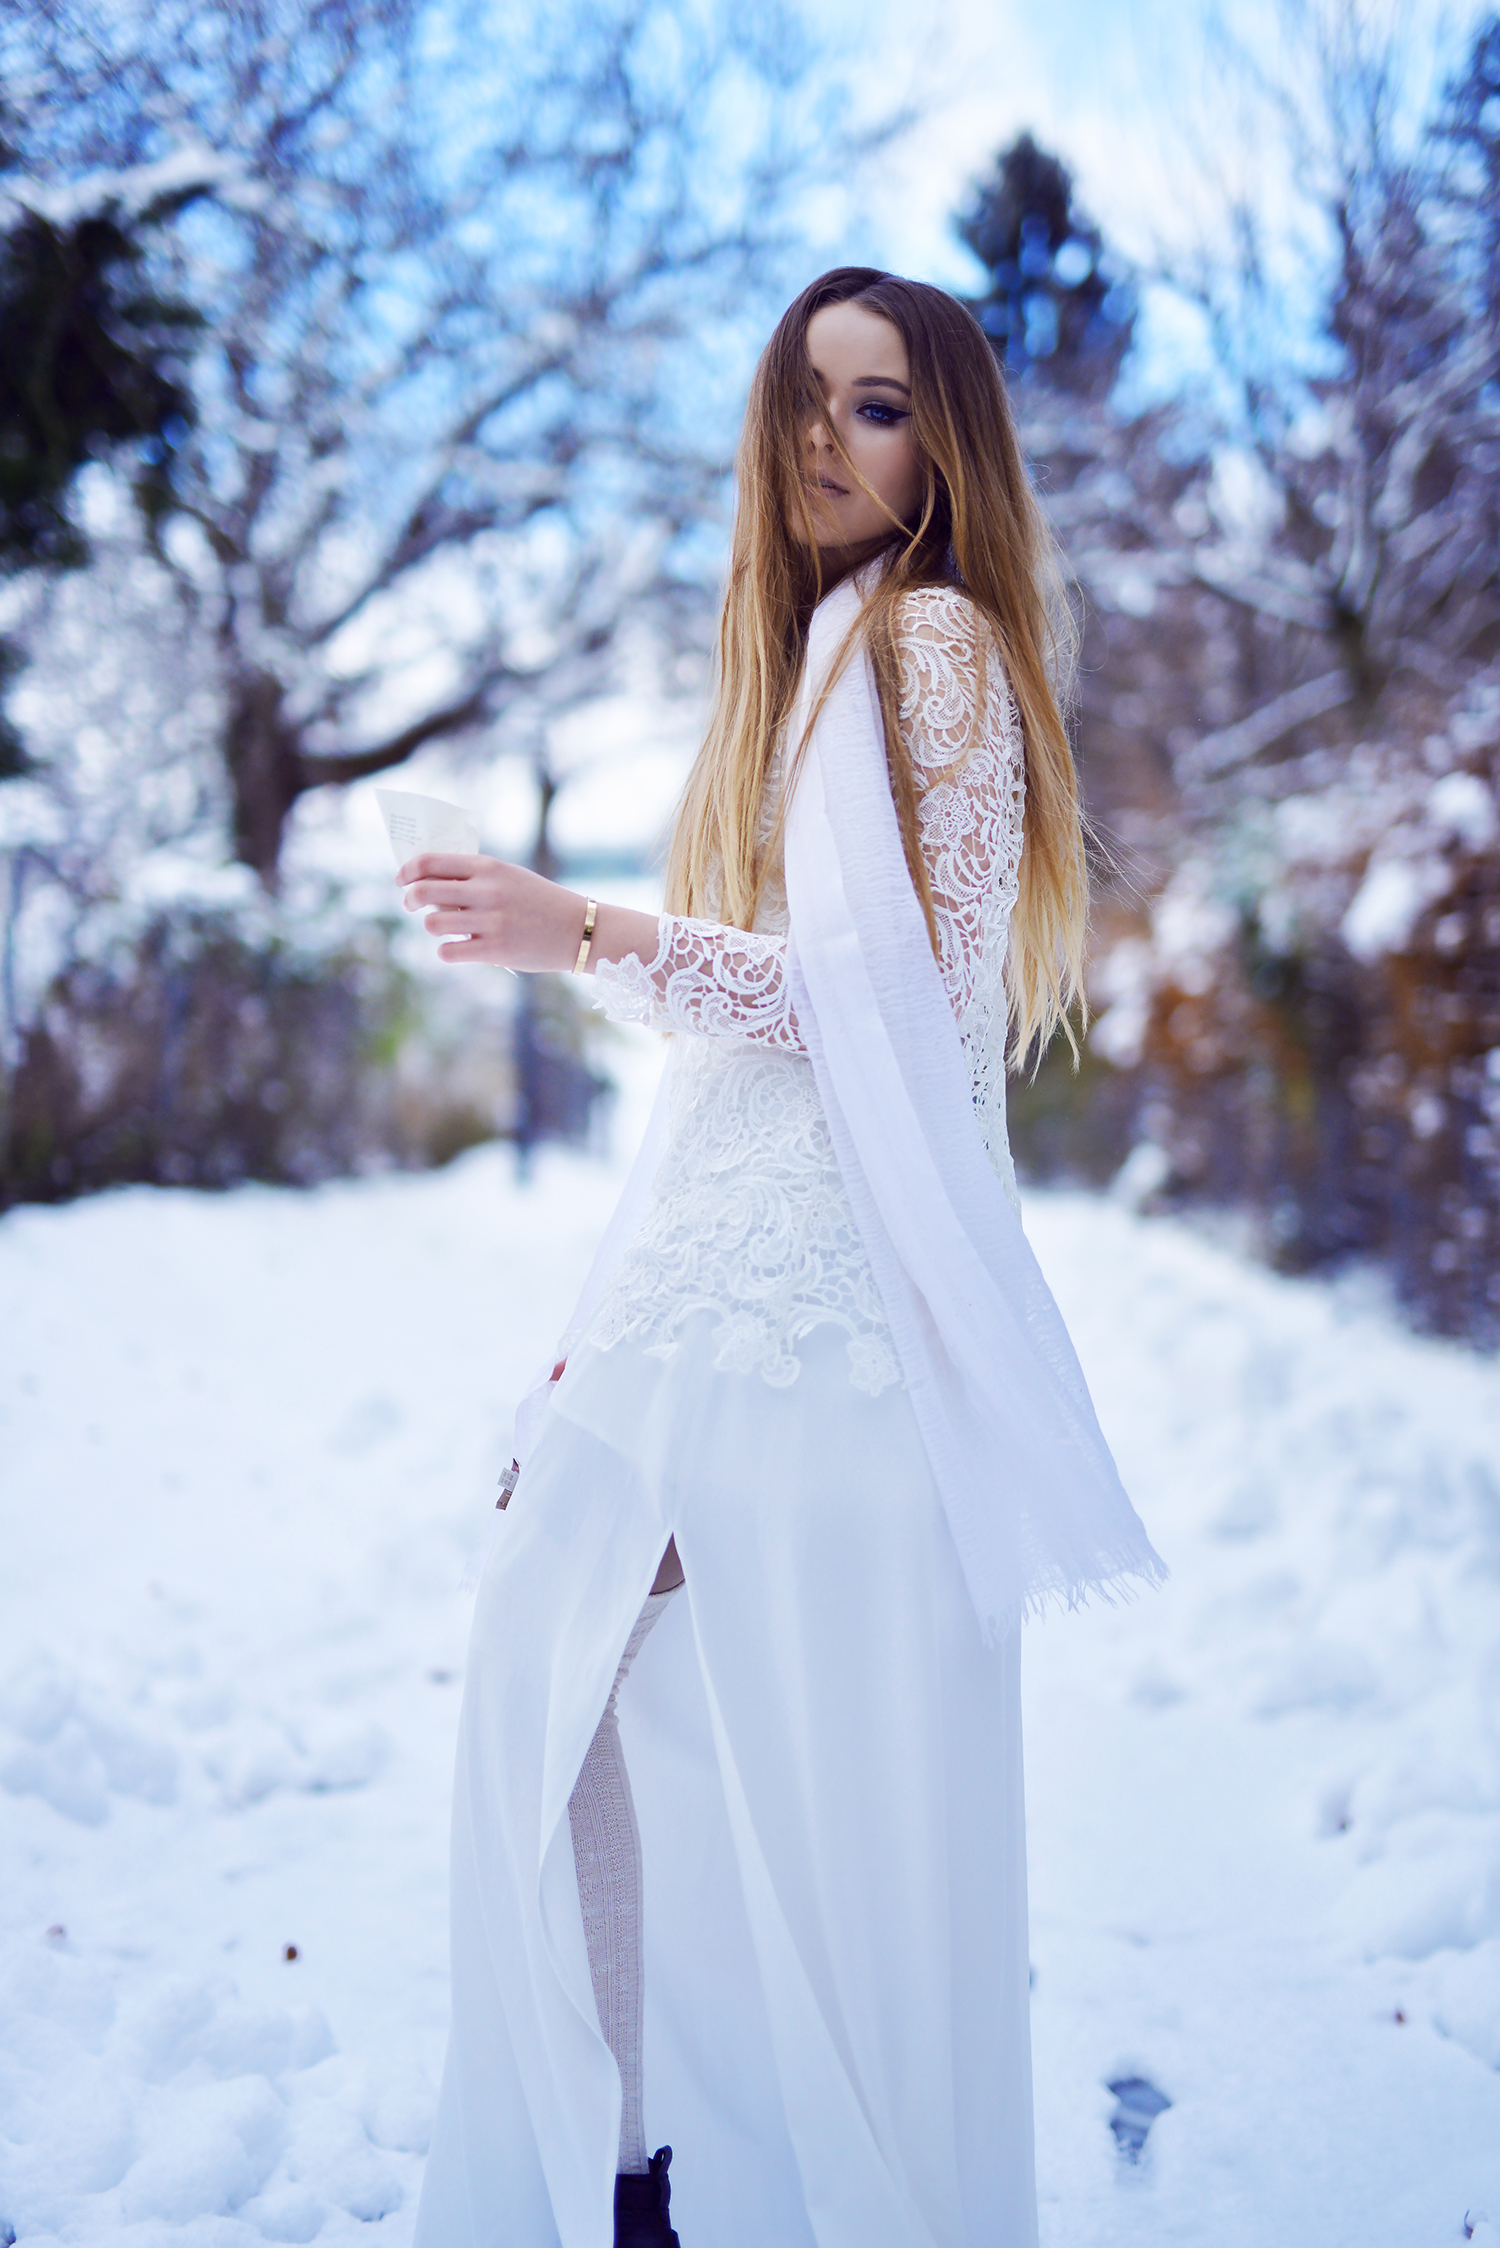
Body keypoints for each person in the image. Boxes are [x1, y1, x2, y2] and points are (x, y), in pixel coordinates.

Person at [403, 266, 1163, 2248]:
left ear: (949, 443)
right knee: (589, 1689)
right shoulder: (818, 648)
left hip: (824, 1304)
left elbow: (884, 1008)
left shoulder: (928, 642)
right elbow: (751, 1059)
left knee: (684, 1721)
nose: (834, 435)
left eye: (883, 402)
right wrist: (599, 1317)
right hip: (712, 1276)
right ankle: (654, 2169)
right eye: (810, 398)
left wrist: (585, 932)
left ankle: (692, 2177)